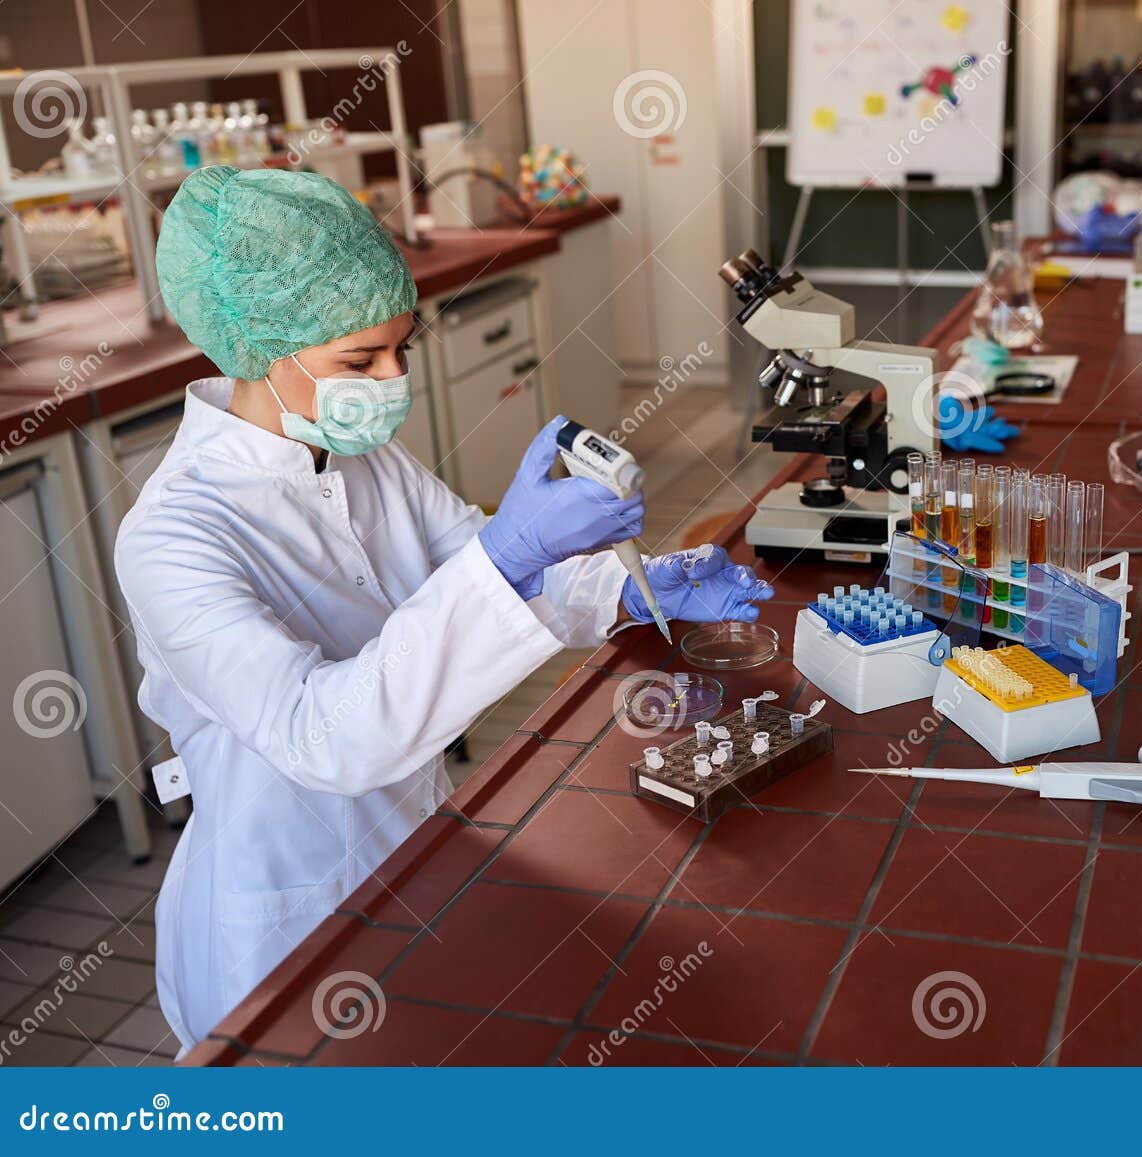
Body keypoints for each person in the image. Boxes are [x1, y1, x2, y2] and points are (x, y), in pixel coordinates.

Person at [116, 166, 772, 1052]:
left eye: (401, 349)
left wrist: (627, 585)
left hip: (419, 849)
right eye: (360, 361)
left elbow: (482, 560)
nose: (391, 380)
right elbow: (326, 735)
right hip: (282, 910)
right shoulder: (173, 534)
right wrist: (505, 557)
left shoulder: (356, 455)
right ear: (256, 346)